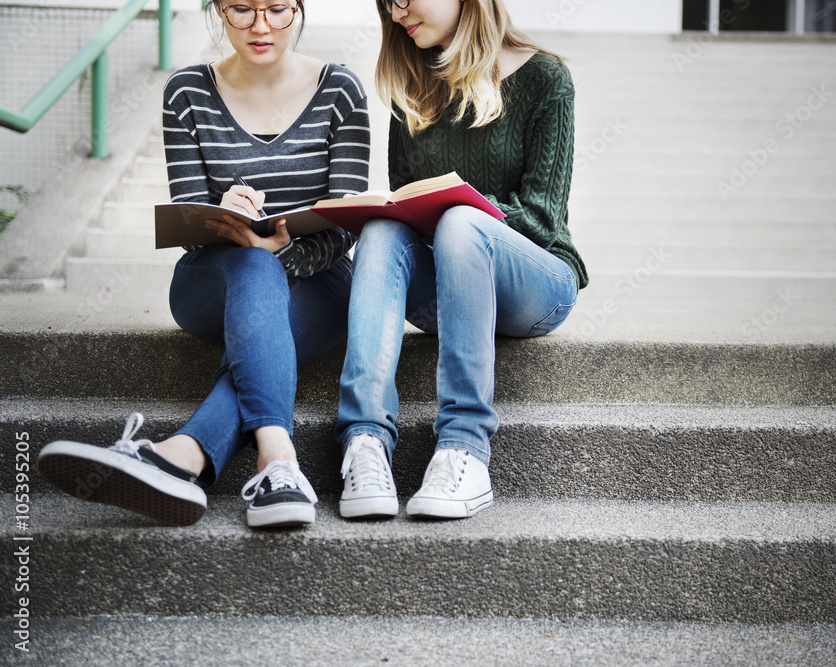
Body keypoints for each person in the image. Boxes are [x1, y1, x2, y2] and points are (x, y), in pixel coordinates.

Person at [37, 0, 370, 529]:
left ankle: (179, 457)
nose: (261, 26)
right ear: (217, 9)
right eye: (241, 9)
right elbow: (189, 222)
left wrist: (285, 251)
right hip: (213, 281)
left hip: (321, 283)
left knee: (266, 277)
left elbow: (348, 222)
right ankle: (279, 462)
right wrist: (227, 211)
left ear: (299, 9)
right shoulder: (188, 92)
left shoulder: (341, 91)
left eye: (278, 9)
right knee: (254, 267)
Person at [335, 0, 587, 520]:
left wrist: (461, 209)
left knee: (459, 222)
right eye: (386, 2)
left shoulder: (545, 78)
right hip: (449, 285)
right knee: (383, 227)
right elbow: (405, 205)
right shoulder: (414, 82)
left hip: (536, 283)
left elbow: (541, 218)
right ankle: (364, 444)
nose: (396, 11)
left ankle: (465, 448)